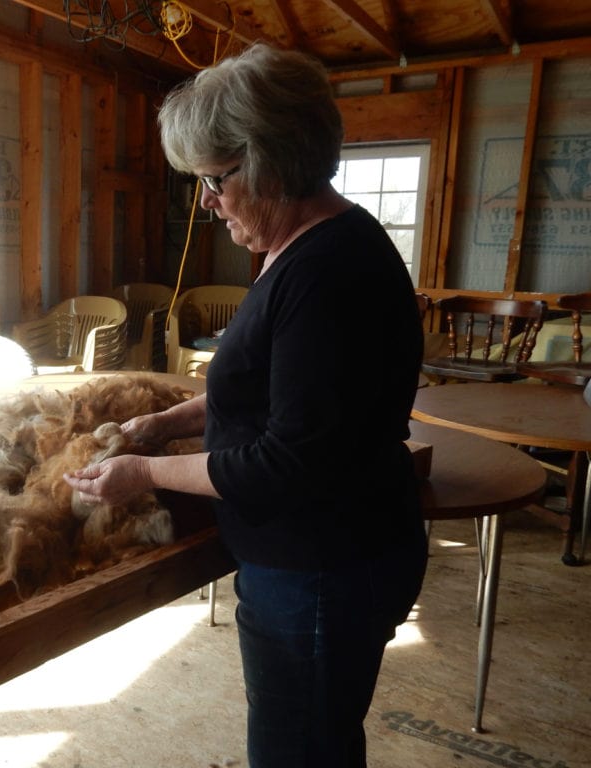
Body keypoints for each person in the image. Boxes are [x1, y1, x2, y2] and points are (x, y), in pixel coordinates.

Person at [64, 42, 428, 768]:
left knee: (299, 754)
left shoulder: (327, 275)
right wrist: (166, 422)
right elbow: (271, 393)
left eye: (214, 180)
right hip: (324, 563)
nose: (205, 202)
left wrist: (144, 474)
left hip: (320, 571)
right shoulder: (305, 251)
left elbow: (289, 463)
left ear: (267, 160)